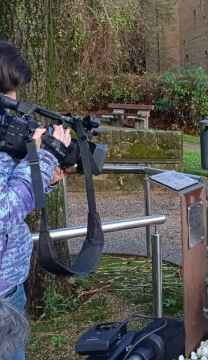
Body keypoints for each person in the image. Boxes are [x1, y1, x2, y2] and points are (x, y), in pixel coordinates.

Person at [0, 41, 71, 360]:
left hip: (10, 288)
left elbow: (14, 194)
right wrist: (42, 160)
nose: (11, 110)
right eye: (5, 100)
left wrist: (45, 175)